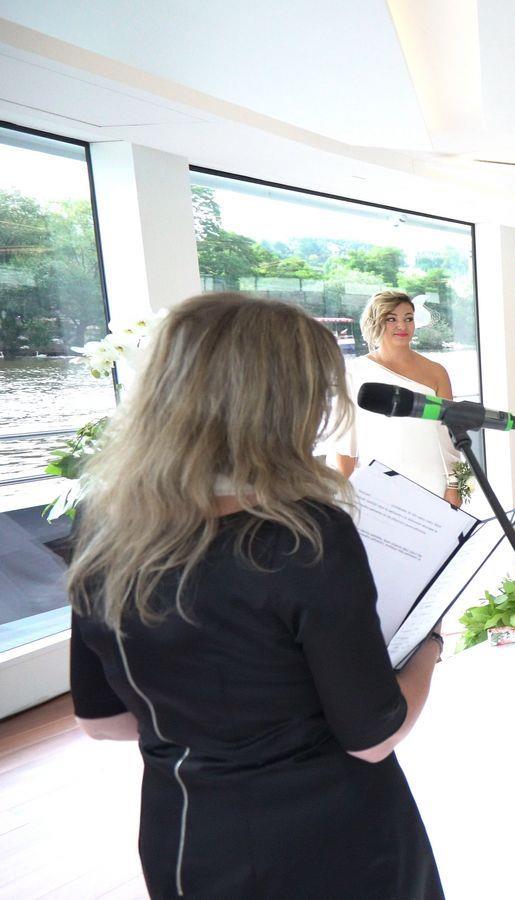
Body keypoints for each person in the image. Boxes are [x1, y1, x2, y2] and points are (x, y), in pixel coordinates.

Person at [68, 293, 444, 899]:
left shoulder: (103, 525)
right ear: (282, 403)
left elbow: (102, 721)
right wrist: (428, 647)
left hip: (187, 838)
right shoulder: (305, 535)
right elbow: (374, 736)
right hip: (335, 840)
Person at [334, 290, 462, 506]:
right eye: (391, 319)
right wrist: (343, 495)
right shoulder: (354, 372)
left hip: (431, 481)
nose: (402, 326)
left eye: (408, 318)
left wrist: (454, 485)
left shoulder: (437, 372)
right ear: (376, 322)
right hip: (377, 481)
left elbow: (450, 435)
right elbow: (346, 438)